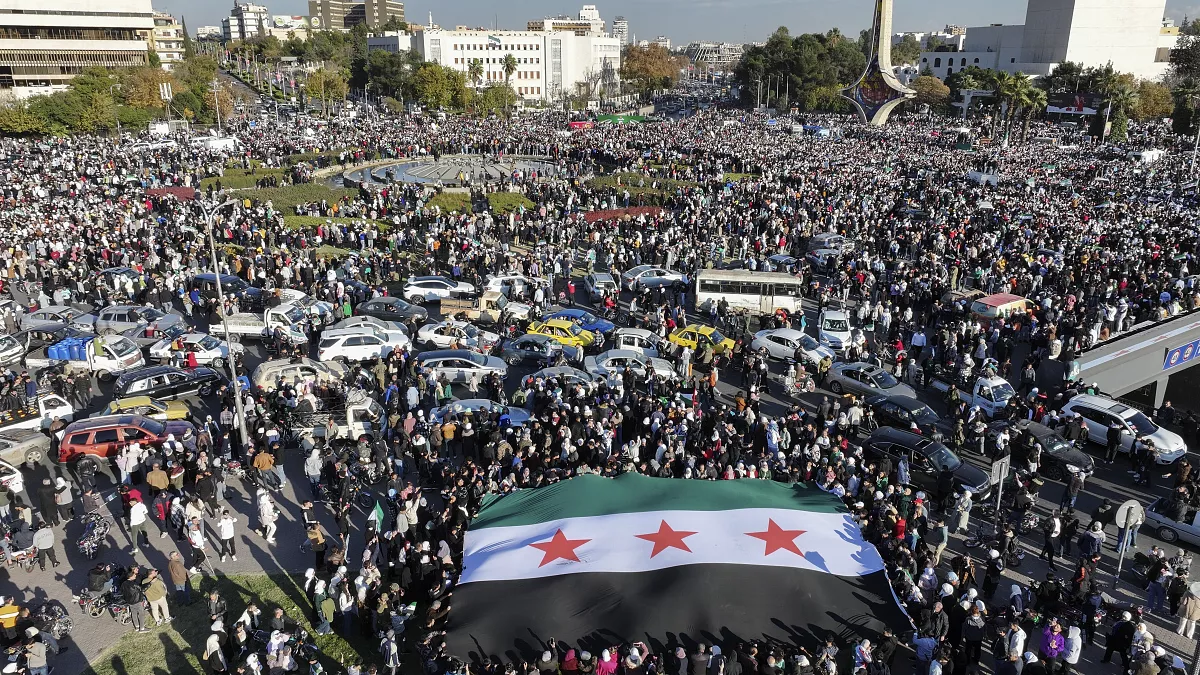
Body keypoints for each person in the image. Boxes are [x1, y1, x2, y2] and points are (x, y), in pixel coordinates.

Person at [120, 567, 149, 633]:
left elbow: (122, 591)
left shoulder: (124, 583)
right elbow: (142, 589)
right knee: (141, 614)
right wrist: (148, 584)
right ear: (131, 577)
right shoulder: (133, 584)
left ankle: (136, 626)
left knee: (134, 613)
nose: (135, 575)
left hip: (129, 601)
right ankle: (142, 628)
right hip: (137, 601)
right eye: (134, 575)